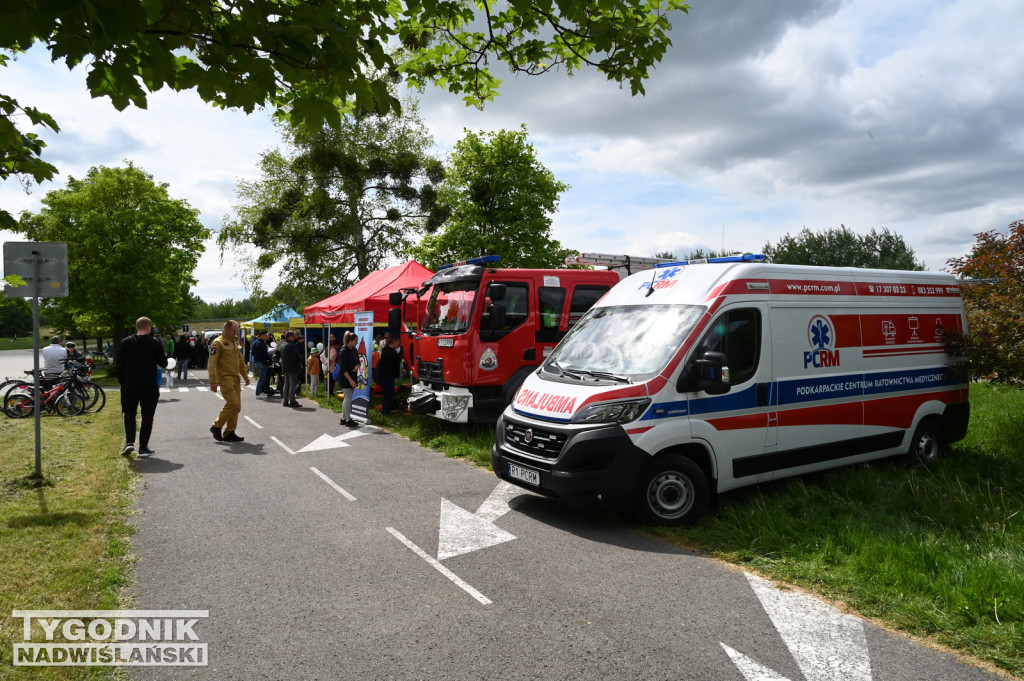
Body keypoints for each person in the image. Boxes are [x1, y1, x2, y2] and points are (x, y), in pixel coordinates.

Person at [117, 317, 167, 457]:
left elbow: (119, 366)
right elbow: (163, 363)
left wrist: (123, 382)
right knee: (147, 416)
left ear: (136, 327)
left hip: (129, 384)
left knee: (129, 414)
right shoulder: (155, 343)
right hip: (148, 384)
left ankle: (129, 442)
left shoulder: (125, 343)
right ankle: (143, 448)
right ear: (149, 327)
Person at [208, 320, 250, 442]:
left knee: (237, 407)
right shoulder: (217, 343)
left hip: (235, 377)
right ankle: (216, 426)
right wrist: (213, 381)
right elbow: (212, 363)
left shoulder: (234, 341)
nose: (235, 333)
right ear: (226, 329)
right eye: (233, 330)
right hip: (224, 377)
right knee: (233, 403)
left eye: (235, 330)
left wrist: (245, 376)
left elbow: (240, 360)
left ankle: (230, 432)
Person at [338, 332, 360, 427]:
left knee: (347, 398)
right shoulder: (343, 351)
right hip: (345, 378)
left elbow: (358, 361)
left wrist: (357, 366)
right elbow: (342, 368)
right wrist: (350, 380)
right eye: (355, 341)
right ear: (350, 341)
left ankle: (343, 418)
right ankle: (348, 419)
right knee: (349, 398)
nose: (357, 342)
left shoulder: (354, 350)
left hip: (353, 376)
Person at [376, 335, 401, 415]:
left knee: (386, 394)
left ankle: (384, 410)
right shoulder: (392, 353)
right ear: (394, 342)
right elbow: (395, 363)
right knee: (389, 394)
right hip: (389, 376)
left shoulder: (384, 351)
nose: (399, 344)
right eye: (398, 342)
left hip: (384, 376)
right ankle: (386, 411)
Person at [279, 330, 304, 408]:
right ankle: (292, 401)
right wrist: (301, 358)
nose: (295, 337)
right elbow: (296, 355)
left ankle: (285, 400)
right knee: (293, 385)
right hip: (292, 367)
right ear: (290, 337)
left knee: (287, 384)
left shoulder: (283, 345)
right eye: (293, 336)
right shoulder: (291, 345)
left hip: (285, 367)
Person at [250, 330, 271, 398]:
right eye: (265, 335)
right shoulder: (262, 343)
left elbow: (252, 352)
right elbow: (265, 353)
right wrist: (269, 359)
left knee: (261, 377)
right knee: (262, 378)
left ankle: (260, 392)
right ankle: (258, 393)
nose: (266, 337)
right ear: (261, 336)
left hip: (256, 361)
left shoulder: (255, 342)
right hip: (262, 362)